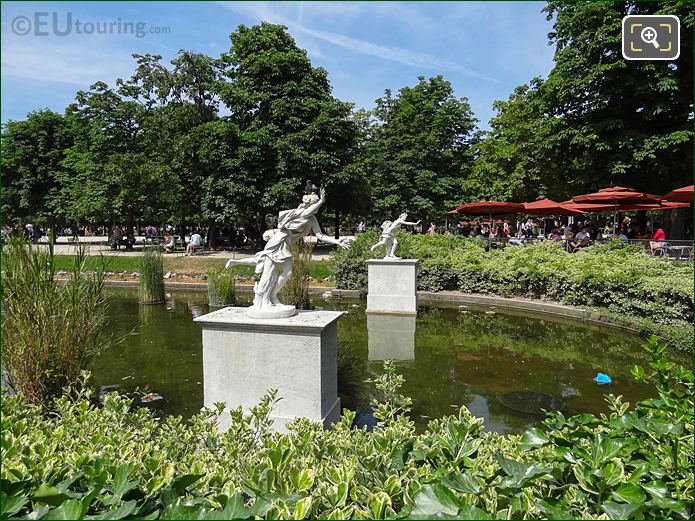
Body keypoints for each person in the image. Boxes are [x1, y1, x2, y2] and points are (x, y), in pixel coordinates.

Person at [225, 186, 349, 313]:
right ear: (310, 204)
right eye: (315, 205)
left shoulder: (312, 219)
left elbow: (320, 236)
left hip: (287, 244)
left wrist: (336, 241)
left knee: (286, 272)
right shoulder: (299, 213)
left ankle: (272, 296)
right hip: (279, 241)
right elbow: (306, 213)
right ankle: (262, 300)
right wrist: (321, 201)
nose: (317, 209)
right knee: (269, 272)